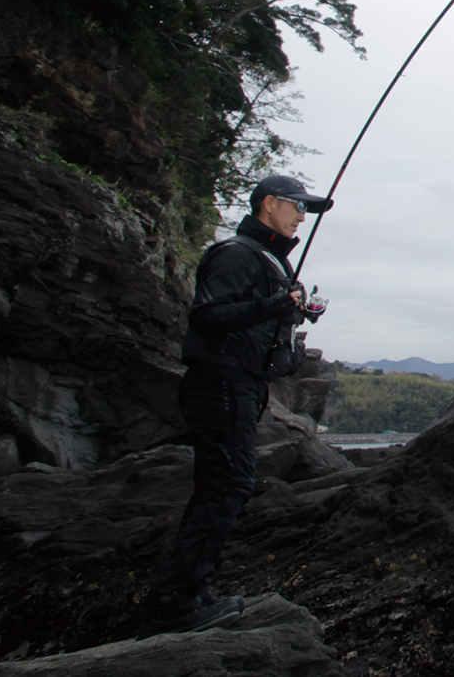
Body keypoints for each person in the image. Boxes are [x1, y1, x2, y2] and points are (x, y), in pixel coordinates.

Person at [138, 174, 332, 638]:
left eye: (307, 210)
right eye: (296, 206)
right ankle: (175, 602)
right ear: (268, 204)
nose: (302, 216)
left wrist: (292, 311)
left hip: (241, 385)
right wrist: (270, 305)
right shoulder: (235, 254)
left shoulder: (266, 259)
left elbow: (251, 318)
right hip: (221, 383)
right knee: (229, 486)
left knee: (219, 487)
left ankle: (188, 594)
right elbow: (206, 316)